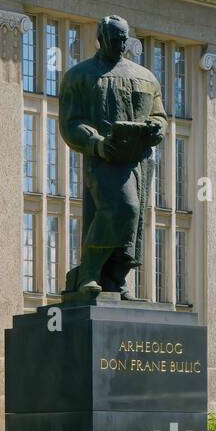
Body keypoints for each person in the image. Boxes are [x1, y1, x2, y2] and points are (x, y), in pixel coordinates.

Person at [57, 15, 166, 299]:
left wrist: (157, 128)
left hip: (137, 161)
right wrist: (97, 143)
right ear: (101, 39)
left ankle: (116, 278)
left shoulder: (144, 77)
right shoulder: (80, 76)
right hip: (103, 158)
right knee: (122, 209)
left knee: (133, 222)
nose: (120, 46)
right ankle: (89, 273)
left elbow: (159, 115)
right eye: (115, 40)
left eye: (124, 40)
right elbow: (71, 122)